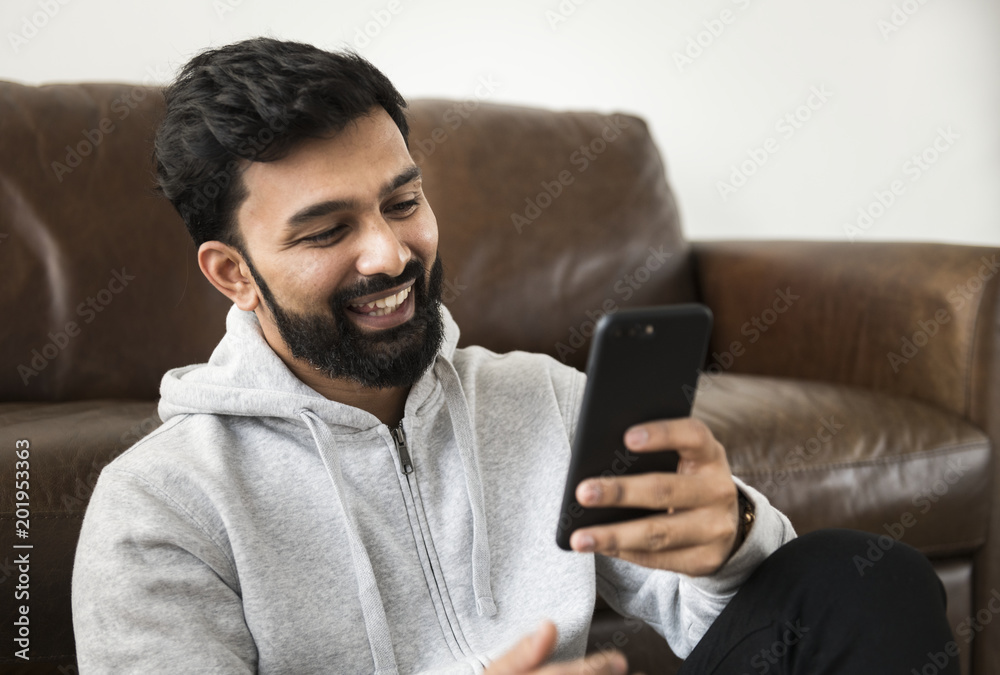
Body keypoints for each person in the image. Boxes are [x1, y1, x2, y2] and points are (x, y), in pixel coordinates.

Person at [71, 38, 957, 674]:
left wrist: (727, 540)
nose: (388, 254)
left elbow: (731, 625)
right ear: (234, 273)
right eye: (327, 230)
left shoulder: (543, 399)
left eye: (402, 201)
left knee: (858, 581)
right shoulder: (159, 508)